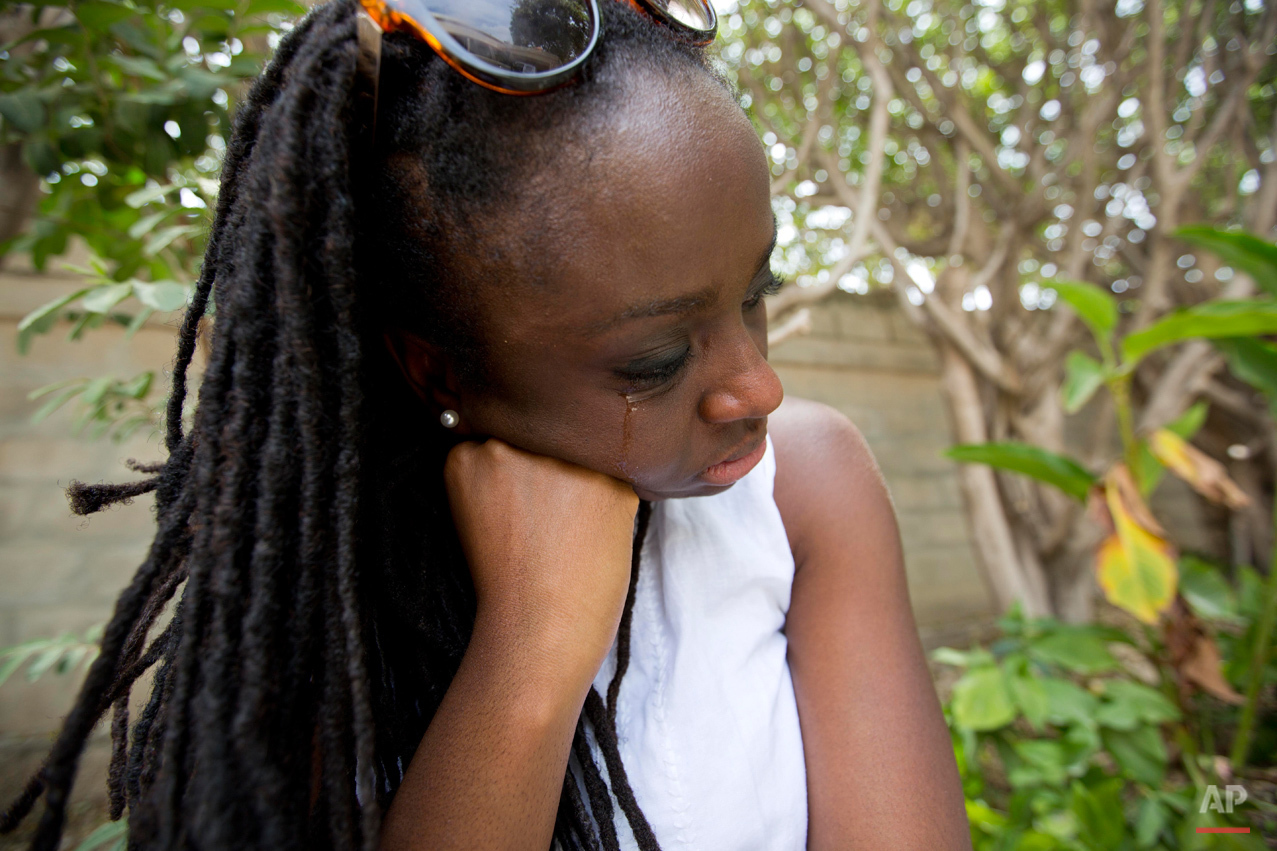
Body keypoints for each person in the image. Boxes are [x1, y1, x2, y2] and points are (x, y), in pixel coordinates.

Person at [1, 0, 970, 849]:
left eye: (753, 293)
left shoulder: (801, 490)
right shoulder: (334, 588)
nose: (756, 385)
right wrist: (529, 651)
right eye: (653, 361)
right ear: (436, 366)